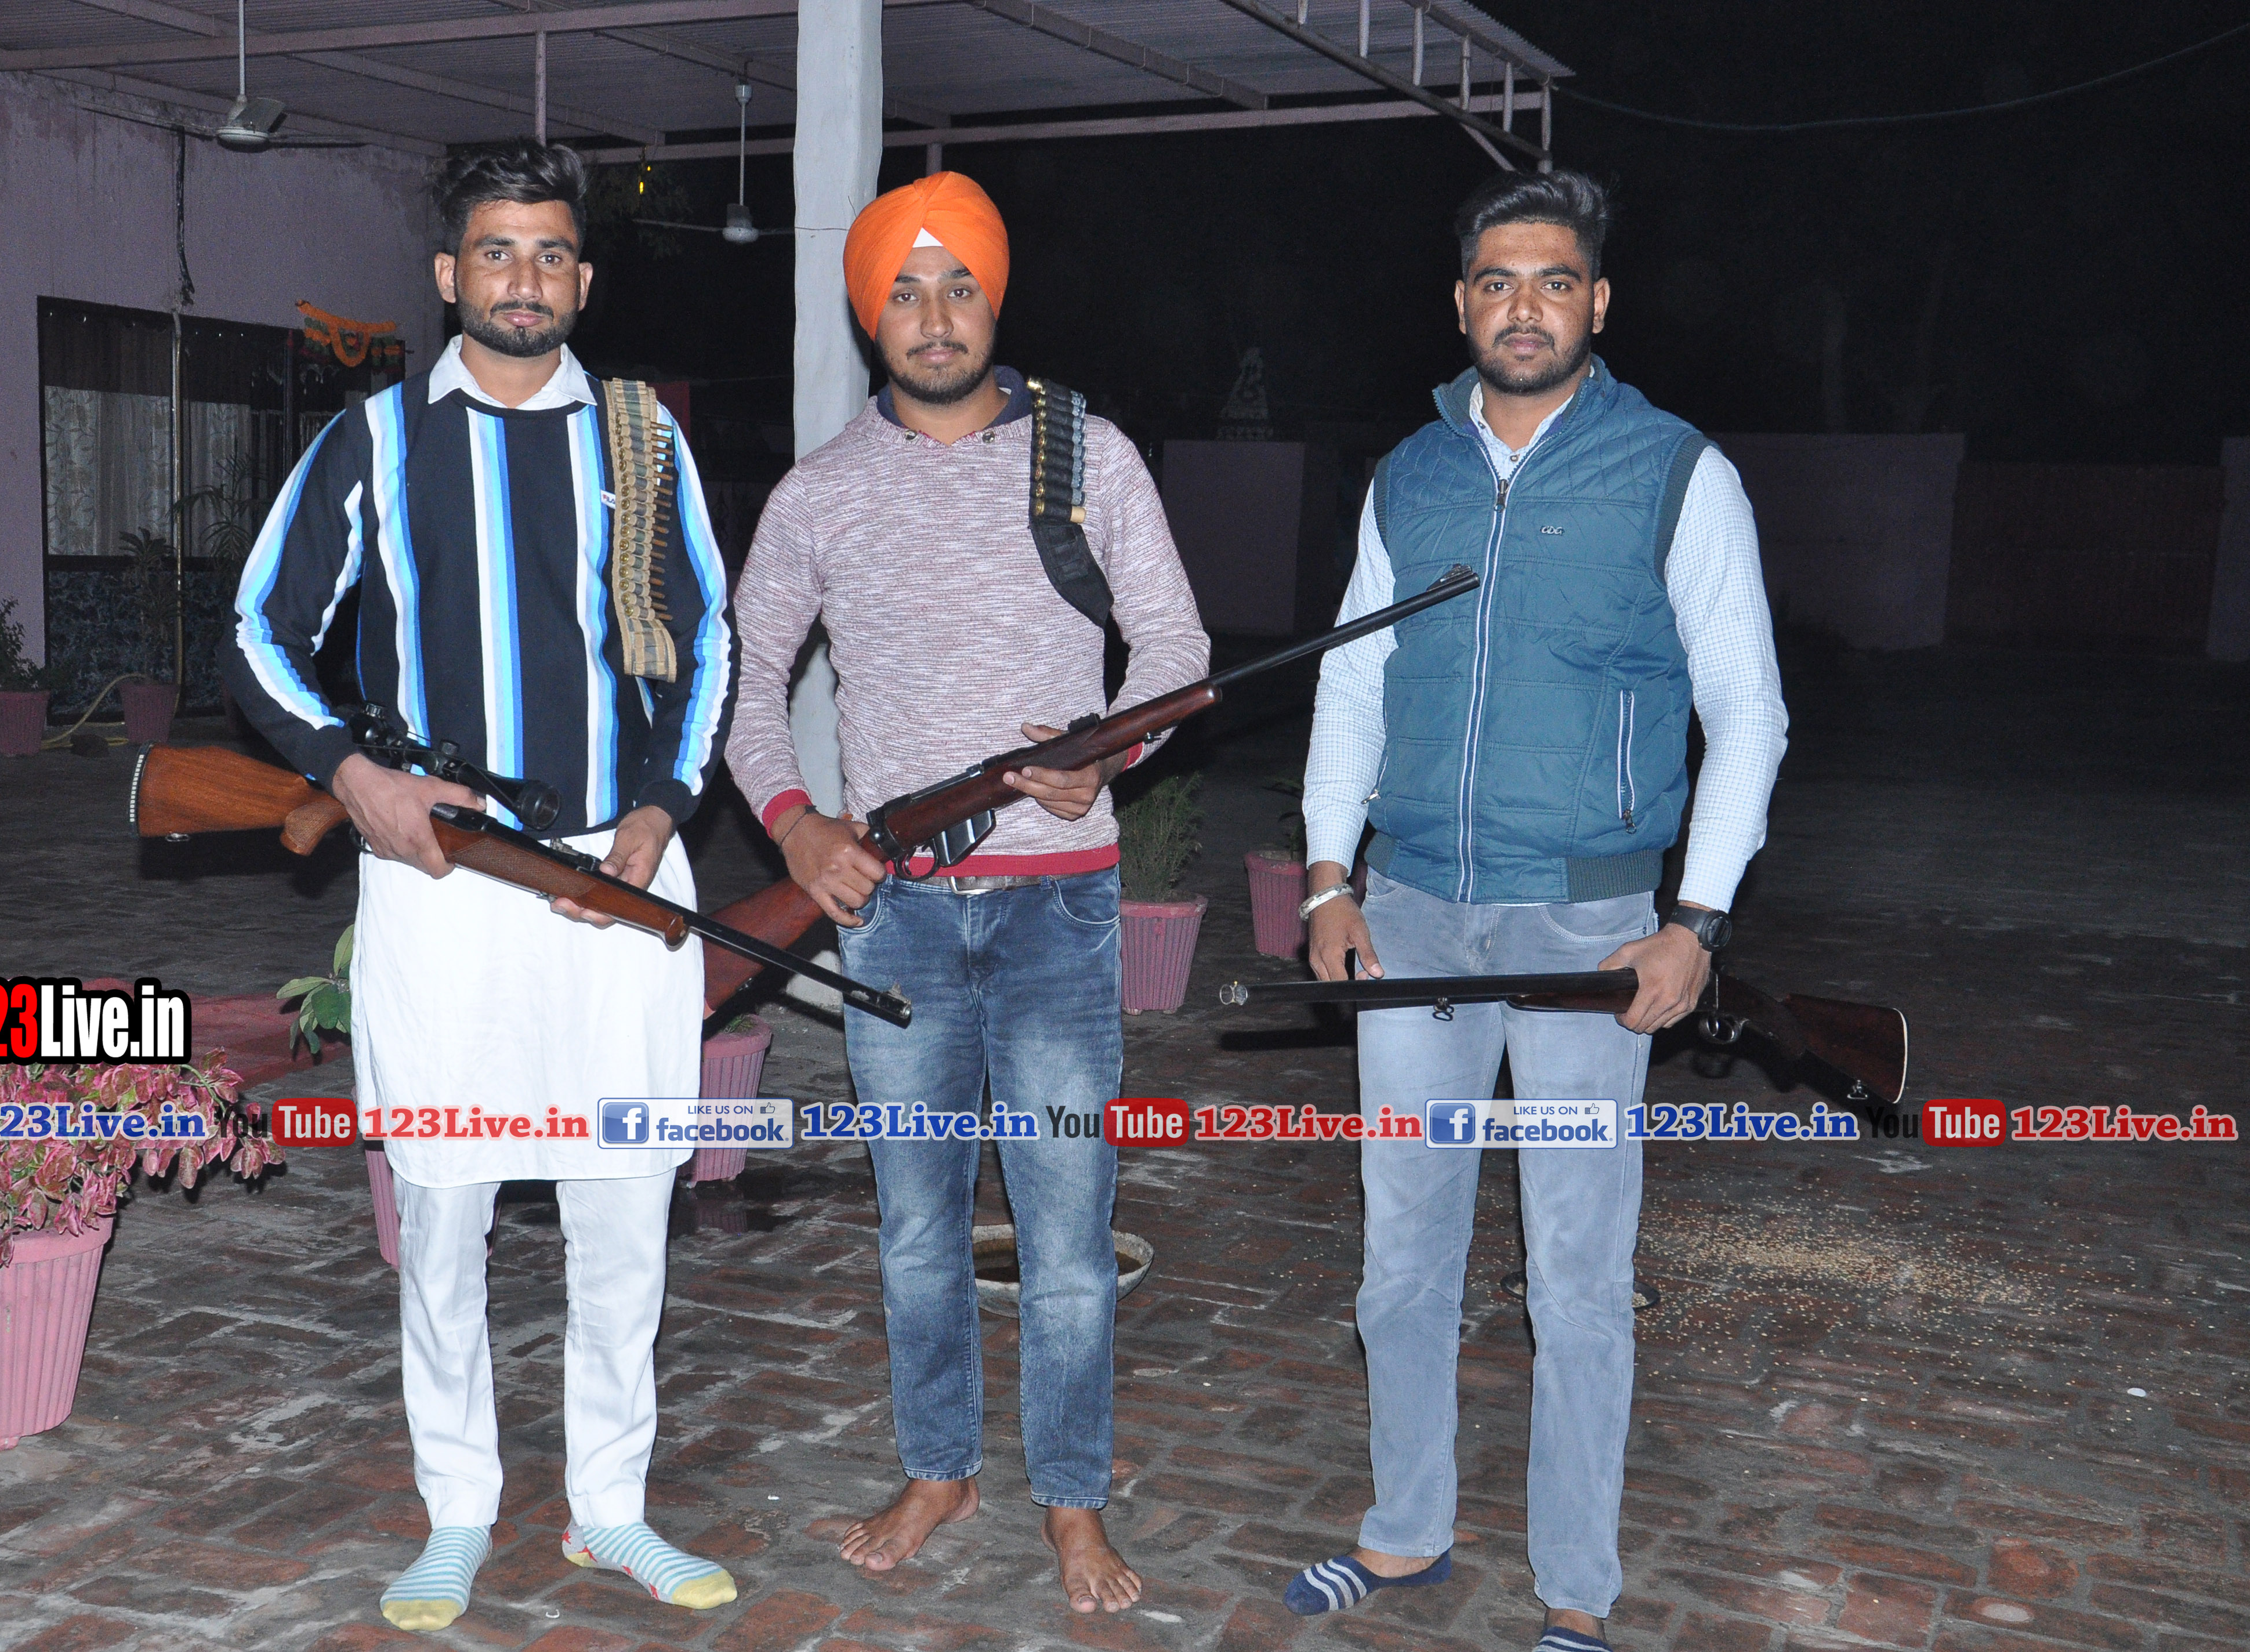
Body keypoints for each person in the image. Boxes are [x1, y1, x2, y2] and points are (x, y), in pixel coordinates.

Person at [221, 140, 738, 1634]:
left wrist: (660, 808)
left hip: (615, 876)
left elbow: (708, 638)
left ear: (583, 277)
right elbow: (256, 630)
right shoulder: (374, 439)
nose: (526, 278)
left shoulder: (642, 439)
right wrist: (351, 774)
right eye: (497, 252)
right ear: (450, 274)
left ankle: (611, 1506)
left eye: (552, 252)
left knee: (622, 1206)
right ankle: (456, 1511)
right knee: (444, 1211)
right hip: (441, 882)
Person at [1287, 171, 1788, 1652]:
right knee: (1400, 1254)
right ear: (1460, 304)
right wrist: (1327, 875)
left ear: (1597, 303)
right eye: (1497, 282)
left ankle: (1576, 1585)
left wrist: (1693, 919)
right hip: (1412, 915)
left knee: (1574, 1271)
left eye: (1553, 281)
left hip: (1586, 929)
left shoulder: (1674, 471)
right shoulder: (1407, 475)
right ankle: (1403, 1528)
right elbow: (1350, 683)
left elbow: (1745, 710)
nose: (1524, 308)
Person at [722, 171, 1209, 1615]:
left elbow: (1173, 646)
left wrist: (1109, 747)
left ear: (994, 301)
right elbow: (743, 689)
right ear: (868, 314)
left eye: (958, 286)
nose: (932, 316)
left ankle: (1072, 1499)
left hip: (1061, 907)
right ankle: (938, 1469)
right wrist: (795, 826)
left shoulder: (1087, 454)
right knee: (918, 1225)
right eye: (902, 290)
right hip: (899, 916)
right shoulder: (818, 492)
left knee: (1066, 1231)